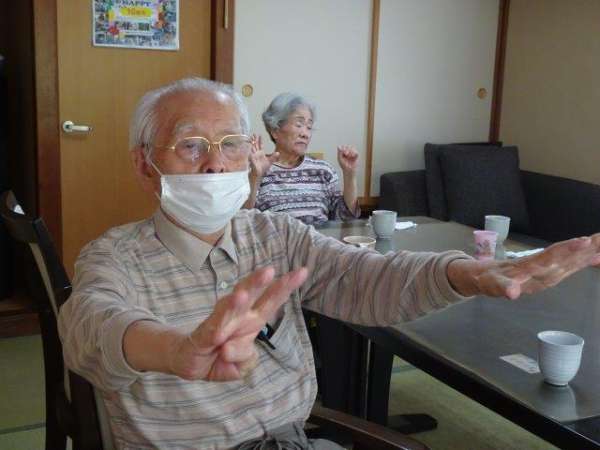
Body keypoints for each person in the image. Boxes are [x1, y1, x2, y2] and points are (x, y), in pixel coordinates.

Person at [57, 77, 600, 450]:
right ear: (145, 165)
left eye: (230, 144)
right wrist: (176, 350)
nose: (216, 164)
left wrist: (469, 273)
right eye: (191, 146)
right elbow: (89, 325)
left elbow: (365, 277)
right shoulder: (114, 255)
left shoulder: (275, 234)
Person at [243, 93, 360, 225]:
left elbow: (346, 218)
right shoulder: (257, 170)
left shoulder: (323, 170)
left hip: (319, 238)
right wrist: (255, 177)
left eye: (309, 127)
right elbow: (243, 220)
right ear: (275, 130)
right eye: (299, 125)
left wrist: (350, 174)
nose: (305, 134)